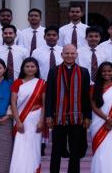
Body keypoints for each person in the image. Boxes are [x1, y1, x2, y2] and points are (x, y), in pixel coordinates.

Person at [45, 44, 91, 173]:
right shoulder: (54, 71)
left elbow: (86, 96)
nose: (69, 56)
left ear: (76, 55)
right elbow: (49, 94)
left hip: (77, 117)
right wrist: (48, 115)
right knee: (56, 150)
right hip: (58, 116)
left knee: (75, 150)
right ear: (62, 54)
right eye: (67, 53)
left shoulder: (84, 72)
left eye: (72, 53)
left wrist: (88, 116)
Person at [9, 57, 45, 173]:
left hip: (36, 119)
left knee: (33, 146)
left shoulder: (42, 83)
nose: (30, 69)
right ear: (23, 68)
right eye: (27, 66)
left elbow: (44, 104)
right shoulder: (17, 83)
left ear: (37, 68)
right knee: (20, 146)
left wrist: (41, 121)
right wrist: (18, 121)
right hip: (21, 118)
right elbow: (13, 103)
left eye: (32, 66)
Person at [32, 25, 63, 155]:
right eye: (48, 35)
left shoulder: (63, 51)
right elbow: (33, 69)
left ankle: (60, 144)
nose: (51, 37)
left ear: (57, 37)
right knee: (43, 114)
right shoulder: (36, 52)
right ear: (44, 37)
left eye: (54, 35)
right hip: (43, 86)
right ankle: (42, 144)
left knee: (59, 115)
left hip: (61, 87)